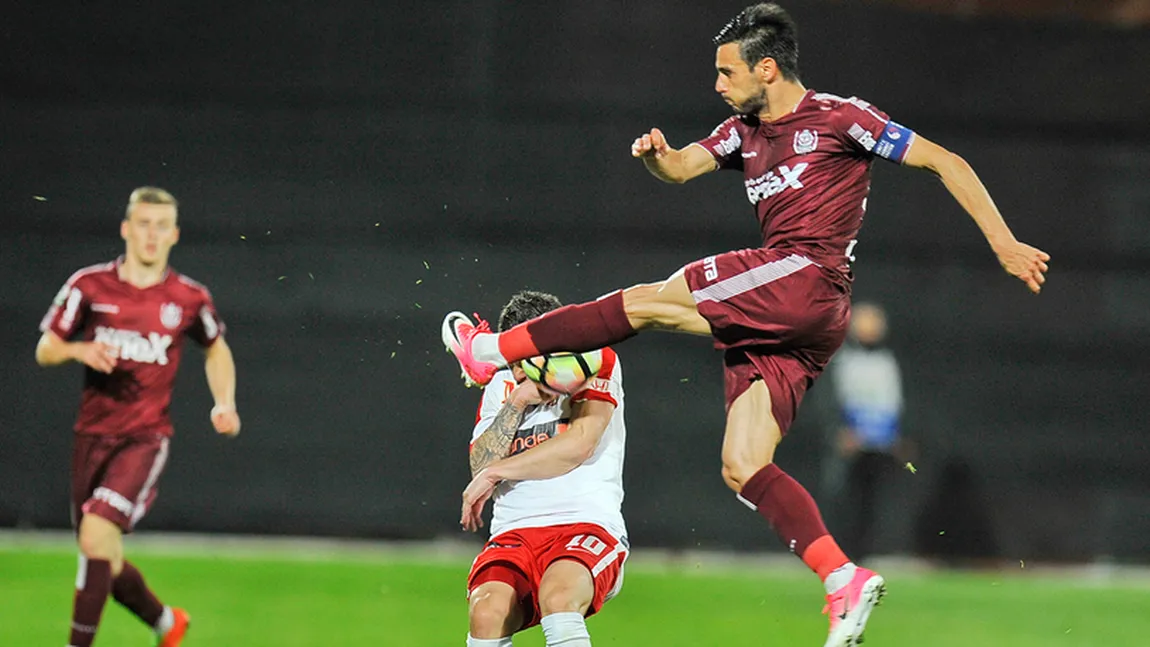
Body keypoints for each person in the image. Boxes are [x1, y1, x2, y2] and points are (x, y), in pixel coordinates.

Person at [441, 4, 1049, 646]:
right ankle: (840, 576)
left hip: (804, 278)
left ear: (767, 67)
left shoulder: (844, 118)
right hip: (791, 322)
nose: (717, 85)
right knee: (742, 463)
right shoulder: (742, 131)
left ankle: (492, 352)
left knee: (647, 302)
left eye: (726, 72)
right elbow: (680, 169)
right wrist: (659, 157)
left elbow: (946, 161)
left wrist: (1005, 243)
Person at [35, 187, 241, 647]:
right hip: (91, 436)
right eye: (143, 224)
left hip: (144, 439)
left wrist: (223, 402)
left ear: (174, 235)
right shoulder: (89, 285)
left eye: (161, 226)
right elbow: (45, 349)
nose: (151, 235)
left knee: (94, 536)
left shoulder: (188, 298)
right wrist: (79, 349)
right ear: (126, 229)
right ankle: (167, 623)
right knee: (101, 553)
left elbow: (216, 349)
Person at [460, 290, 628, 647]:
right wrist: (517, 401)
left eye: (531, 356)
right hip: (515, 531)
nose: (522, 368)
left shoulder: (595, 363)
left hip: (586, 523)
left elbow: (579, 444)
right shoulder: (500, 388)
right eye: (515, 359)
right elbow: (480, 464)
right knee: (486, 612)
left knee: (559, 597)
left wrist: (496, 474)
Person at [827, 302, 910, 561]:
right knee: (841, 497)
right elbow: (827, 399)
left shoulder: (889, 360)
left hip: (879, 445)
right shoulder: (840, 360)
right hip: (849, 444)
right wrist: (837, 432)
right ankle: (834, 553)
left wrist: (899, 435)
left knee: (872, 501)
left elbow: (897, 401)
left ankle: (862, 555)